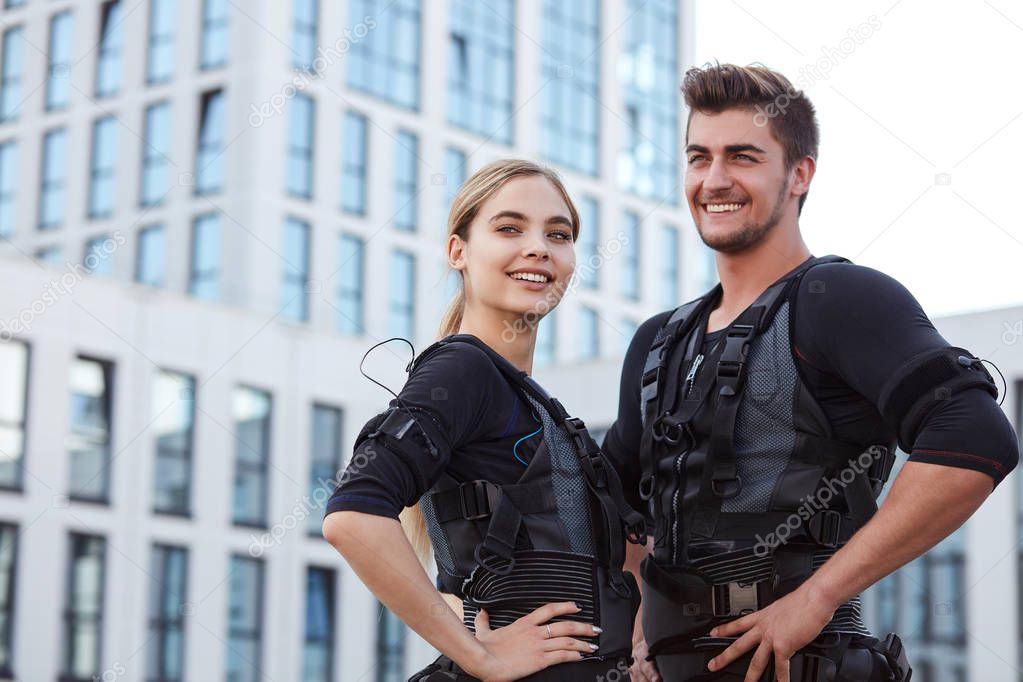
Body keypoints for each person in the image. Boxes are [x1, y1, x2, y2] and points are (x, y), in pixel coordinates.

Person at [603, 63, 1020, 682]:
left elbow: (975, 437)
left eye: (742, 157)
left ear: (799, 174)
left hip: (808, 664)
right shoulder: (658, 341)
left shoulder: (840, 297)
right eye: (698, 157)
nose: (714, 179)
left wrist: (818, 595)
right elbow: (618, 504)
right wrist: (637, 617)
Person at [322, 159, 646, 682]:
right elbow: (352, 517)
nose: (539, 247)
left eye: (557, 234)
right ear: (459, 252)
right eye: (509, 228)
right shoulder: (464, 368)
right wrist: (482, 658)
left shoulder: (526, 397)